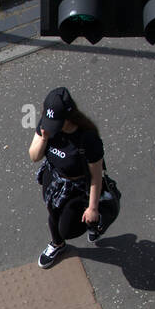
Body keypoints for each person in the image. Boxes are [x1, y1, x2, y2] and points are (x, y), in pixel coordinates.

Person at [29, 86, 106, 268]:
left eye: (56, 123)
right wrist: (44, 138)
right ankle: (57, 244)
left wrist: (93, 208)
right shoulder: (47, 125)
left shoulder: (88, 138)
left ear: (68, 118)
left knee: (68, 229)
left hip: (77, 186)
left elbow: (96, 176)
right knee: (53, 213)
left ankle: (95, 219)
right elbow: (34, 156)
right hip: (54, 178)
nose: (50, 127)